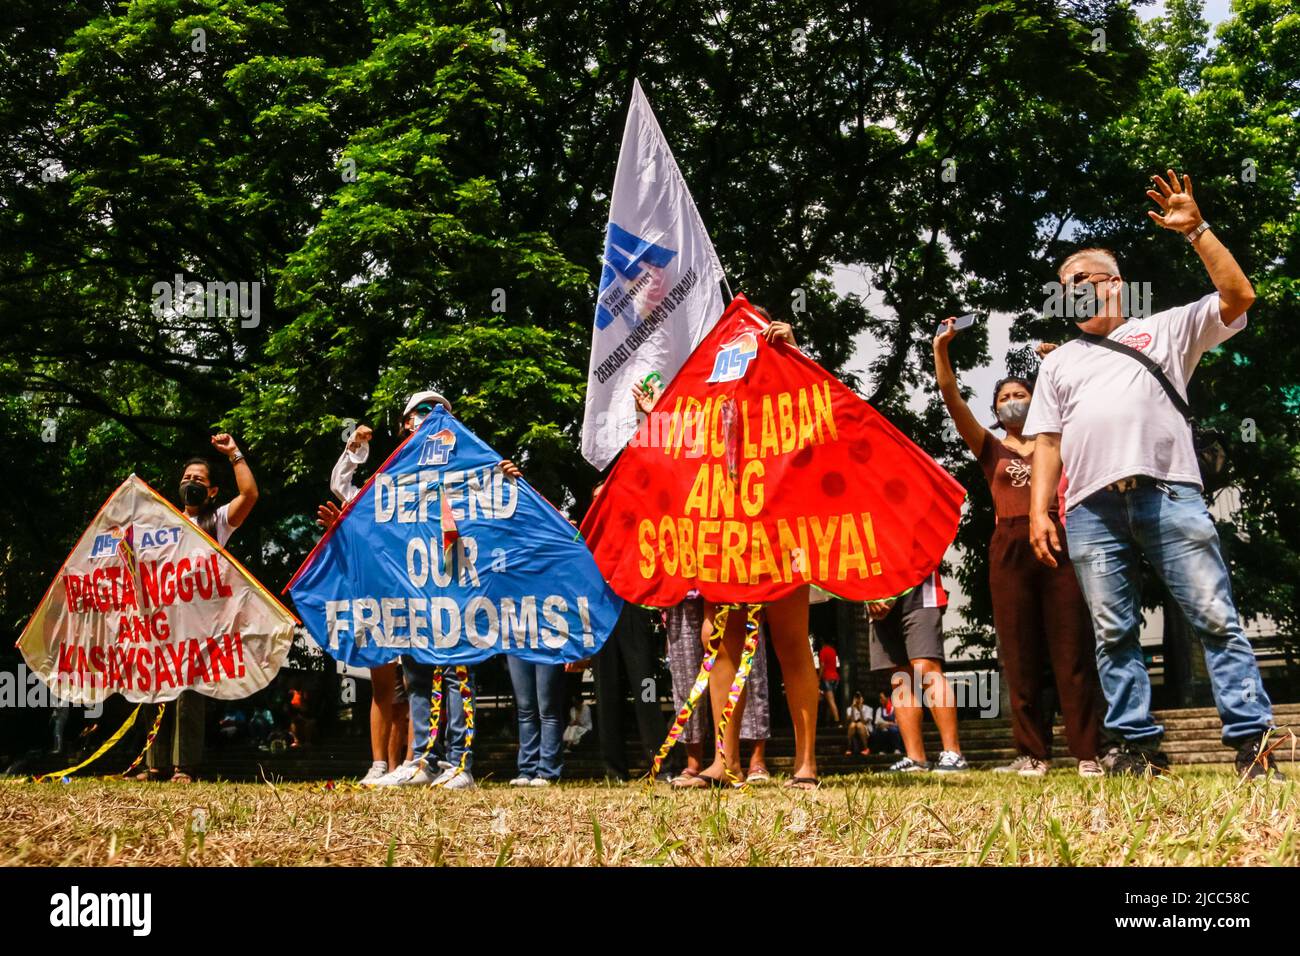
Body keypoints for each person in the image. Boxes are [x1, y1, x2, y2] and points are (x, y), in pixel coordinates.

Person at [1025, 170, 1281, 781]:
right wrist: (1040, 510)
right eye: (1065, 287)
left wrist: (1197, 231)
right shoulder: (1058, 363)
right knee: (1113, 633)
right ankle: (1135, 749)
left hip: (1170, 492)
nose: (1073, 291)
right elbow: (1047, 441)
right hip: (1088, 509)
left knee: (1214, 617)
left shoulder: (1163, 328)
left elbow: (1238, 298)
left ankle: (1253, 742)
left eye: (1081, 279)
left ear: (1114, 284)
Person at [321, 390, 522, 788]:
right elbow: (342, 488)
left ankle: (460, 763)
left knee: (456, 672)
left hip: (458, 590)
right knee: (416, 674)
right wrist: (355, 449)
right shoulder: (396, 476)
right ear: (406, 424)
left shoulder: (469, 470)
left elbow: (503, 513)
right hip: (413, 593)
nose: (432, 418)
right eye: (423, 412)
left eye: (441, 412)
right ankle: (425, 760)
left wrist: (510, 483)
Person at [933, 319, 1104, 778]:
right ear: (994, 408)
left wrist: (1056, 366)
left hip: (1058, 541)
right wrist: (942, 350)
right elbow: (952, 400)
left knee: (1073, 652)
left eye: (1021, 394)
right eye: (1005, 397)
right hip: (1009, 549)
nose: (1014, 401)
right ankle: (1032, 754)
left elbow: (1083, 404)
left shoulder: (1058, 439)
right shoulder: (989, 447)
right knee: (1020, 653)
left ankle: (1089, 753)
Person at [141, 433, 258, 783]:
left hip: (198, 628)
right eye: (186, 478)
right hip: (162, 625)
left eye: (199, 480)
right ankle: (154, 764)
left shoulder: (216, 521)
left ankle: (184, 766)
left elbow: (250, 495)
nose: (191, 483)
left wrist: (234, 454)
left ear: (212, 492)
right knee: (153, 691)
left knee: (188, 696)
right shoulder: (161, 526)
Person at [664, 597, 773, 787]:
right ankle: (699, 762)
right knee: (686, 675)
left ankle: (751, 761)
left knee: (749, 667)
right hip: (683, 586)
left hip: (734, 580)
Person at [869, 571, 969, 773]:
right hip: (876, 595)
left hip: (919, 590)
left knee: (926, 669)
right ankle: (915, 758)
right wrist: (867, 594)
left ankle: (953, 753)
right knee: (900, 680)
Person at [507, 658, 567, 787]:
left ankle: (548, 771)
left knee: (548, 709)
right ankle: (527, 770)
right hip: (518, 642)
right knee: (525, 710)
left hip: (548, 643)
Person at [816, 637, 842, 726]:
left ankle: (837, 721)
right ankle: (828, 722)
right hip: (836, 678)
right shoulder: (833, 651)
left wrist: (818, 678)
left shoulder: (823, 651)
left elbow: (822, 665)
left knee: (831, 701)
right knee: (829, 701)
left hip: (827, 678)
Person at [844, 692, 871, 756]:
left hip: (865, 728)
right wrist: (853, 708)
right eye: (856, 698)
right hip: (853, 729)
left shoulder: (868, 708)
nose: (857, 699)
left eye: (859, 697)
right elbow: (851, 721)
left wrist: (860, 708)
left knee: (859, 724)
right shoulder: (849, 709)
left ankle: (866, 748)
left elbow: (864, 722)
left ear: (862, 699)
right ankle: (849, 749)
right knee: (853, 724)